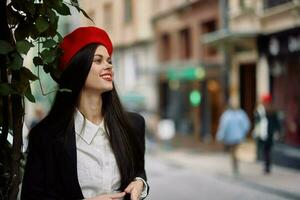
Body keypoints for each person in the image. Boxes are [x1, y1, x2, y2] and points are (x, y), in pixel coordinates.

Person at [21, 27, 149, 200]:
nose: (108, 66)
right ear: (77, 68)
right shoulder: (45, 136)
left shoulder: (134, 125)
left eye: (109, 61)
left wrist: (140, 182)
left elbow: (138, 171)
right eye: (98, 60)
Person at [217, 98, 250, 175]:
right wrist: (243, 133)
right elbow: (246, 125)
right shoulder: (240, 114)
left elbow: (223, 127)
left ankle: (235, 167)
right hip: (236, 137)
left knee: (233, 152)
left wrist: (220, 137)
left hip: (232, 138)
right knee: (234, 151)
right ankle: (235, 166)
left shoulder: (227, 115)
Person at [253, 94, 280, 174]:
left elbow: (276, 123)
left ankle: (267, 165)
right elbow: (276, 123)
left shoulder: (264, 110)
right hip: (266, 133)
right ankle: (267, 165)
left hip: (265, 133)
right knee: (267, 150)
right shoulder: (263, 110)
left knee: (265, 150)